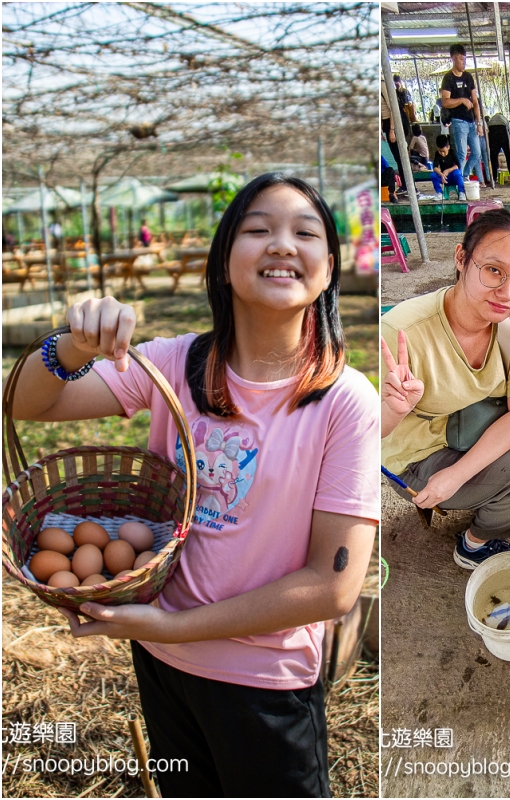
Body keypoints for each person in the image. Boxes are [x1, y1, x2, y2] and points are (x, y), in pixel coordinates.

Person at [13, 174, 378, 796]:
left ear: (329, 269)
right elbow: (27, 403)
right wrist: (71, 347)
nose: (282, 245)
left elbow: (333, 586)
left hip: (265, 683)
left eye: (305, 233)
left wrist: (171, 625)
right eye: (258, 229)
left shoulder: (344, 402)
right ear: (223, 262)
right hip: (162, 664)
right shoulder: (174, 365)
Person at [380, 209, 510, 569]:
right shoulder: (401, 331)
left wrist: (459, 475)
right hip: (417, 454)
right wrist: (394, 409)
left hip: (469, 422)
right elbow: (358, 437)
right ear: (462, 258)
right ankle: (474, 544)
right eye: (494, 270)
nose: (507, 293)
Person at [440, 43, 487, 186]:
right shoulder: (448, 78)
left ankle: (464, 175)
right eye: (461, 59)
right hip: (458, 121)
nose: (463, 62)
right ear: (453, 59)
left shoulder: (468, 77)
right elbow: (445, 102)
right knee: (461, 154)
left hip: (472, 121)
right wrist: (461, 100)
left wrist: (479, 123)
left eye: (465, 59)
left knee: (477, 153)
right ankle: (459, 183)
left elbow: (475, 101)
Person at [486, 112, 510, 185]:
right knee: (508, 156)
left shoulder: (492, 120)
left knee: (493, 157)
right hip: (503, 131)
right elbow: (509, 132)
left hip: (492, 131)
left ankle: (494, 178)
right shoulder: (504, 119)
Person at [432, 134, 466, 198]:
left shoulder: (452, 152)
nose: (442, 153)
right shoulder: (437, 154)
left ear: (448, 147)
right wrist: (441, 174)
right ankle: (439, 193)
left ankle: (461, 192)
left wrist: (448, 170)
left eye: (444, 151)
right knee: (433, 175)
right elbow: (435, 167)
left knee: (458, 173)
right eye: (440, 151)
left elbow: (458, 165)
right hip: (443, 178)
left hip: (452, 176)